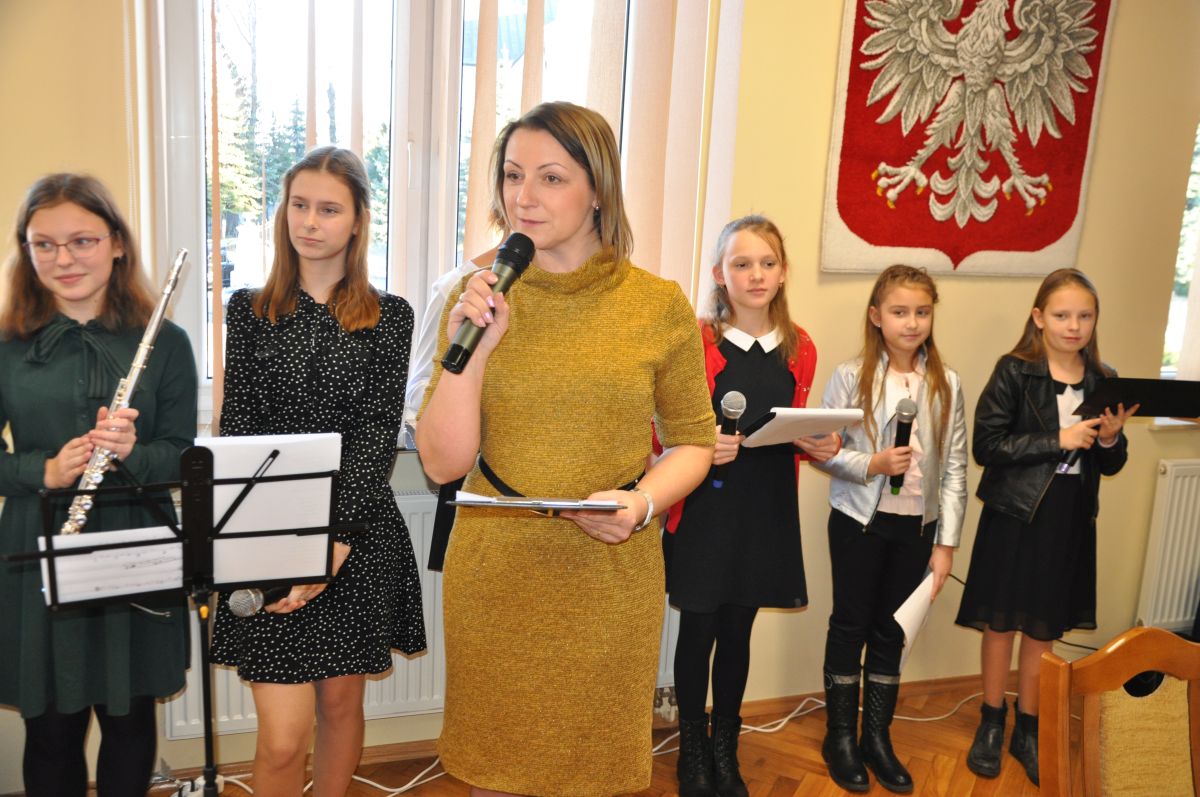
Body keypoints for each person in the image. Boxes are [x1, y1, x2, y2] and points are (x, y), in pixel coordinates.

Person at [416, 101, 716, 796]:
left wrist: (642, 504)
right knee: (493, 773)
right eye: (512, 175)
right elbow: (441, 463)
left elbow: (694, 442)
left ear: (598, 189)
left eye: (550, 177)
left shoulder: (657, 304)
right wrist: (475, 350)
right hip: (497, 575)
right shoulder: (475, 297)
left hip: (608, 577)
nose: (523, 196)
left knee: (594, 776)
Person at [209, 146, 427, 796]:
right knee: (281, 738)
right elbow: (239, 429)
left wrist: (334, 543)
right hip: (268, 535)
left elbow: (376, 434)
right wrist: (276, 548)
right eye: (299, 205)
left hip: (355, 533)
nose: (309, 221)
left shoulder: (390, 315)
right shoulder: (249, 309)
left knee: (339, 705)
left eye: (329, 209)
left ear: (358, 220)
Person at [0, 174, 197, 796]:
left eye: (81, 240)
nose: (64, 259)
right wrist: (40, 471)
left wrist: (135, 453)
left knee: (130, 719)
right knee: (50, 728)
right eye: (44, 244)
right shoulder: (6, 345)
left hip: (134, 540)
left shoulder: (166, 342)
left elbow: (183, 456)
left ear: (116, 243)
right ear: (26, 251)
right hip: (39, 541)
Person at [663, 215, 839, 797]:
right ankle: (692, 751)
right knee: (698, 631)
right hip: (705, 510)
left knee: (738, 632)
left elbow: (794, 427)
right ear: (720, 274)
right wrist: (697, 444)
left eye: (767, 263)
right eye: (742, 264)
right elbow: (663, 424)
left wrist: (821, 444)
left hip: (765, 509)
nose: (756, 275)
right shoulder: (697, 340)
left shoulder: (799, 346)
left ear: (783, 272)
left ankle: (726, 749)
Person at [955, 268, 1133, 786]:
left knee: (1043, 628)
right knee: (1001, 623)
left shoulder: (1104, 377)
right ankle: (992, 721)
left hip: (1069, 517)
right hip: (1014, 514)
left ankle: (1028, 729)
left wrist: (1109, 439)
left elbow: (1112, 463)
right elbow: (987, 446)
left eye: (1084, 316)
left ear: (1095, 320)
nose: (1073, 326)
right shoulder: (1014, 370)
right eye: (1061, 315)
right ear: (1038, 318)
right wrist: (1059, 438)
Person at [811, 265, 968, 794]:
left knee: (892, 631)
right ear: (877, 316)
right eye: (900, 312)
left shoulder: (948, 384)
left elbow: (955, 468)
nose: (912, 322)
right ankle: (840, 737)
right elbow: (824, 451)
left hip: (916, 529)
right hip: (859, 523)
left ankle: (876, 737)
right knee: (849, 625)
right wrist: (872, 464)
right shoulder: (850, 375)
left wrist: (946, 544)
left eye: (922, 312)